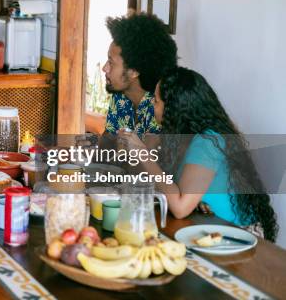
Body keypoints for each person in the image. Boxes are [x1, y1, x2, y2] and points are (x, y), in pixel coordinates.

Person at [119, 67, 278, 241]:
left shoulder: (207, 141)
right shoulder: (179, 139)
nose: (151, 105)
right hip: (207, 226)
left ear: (174, 108)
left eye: (156, 101)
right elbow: (160, 185)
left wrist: (143, 153)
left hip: (239, 235)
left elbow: (179, 207)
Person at [100, 12, 178, 150]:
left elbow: (146, 165)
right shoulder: (120, 97)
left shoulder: (158, 107)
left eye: (111, 63)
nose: (104, 68)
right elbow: (105, 147)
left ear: (134, 71)